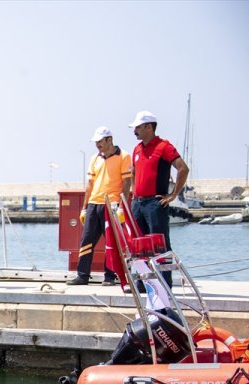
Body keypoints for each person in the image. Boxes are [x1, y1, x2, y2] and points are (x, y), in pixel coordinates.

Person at [129, 110, 189, 288]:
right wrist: (133, 194)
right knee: (139, 247)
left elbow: (183, 168)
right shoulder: (137, 149)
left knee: (160, 247)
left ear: (149, 127)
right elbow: (133, 171)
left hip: (155, 204)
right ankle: (144, 283)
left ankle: (164, 285)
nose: (135, 131)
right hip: (138, 204)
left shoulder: (164, 146)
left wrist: (173, 195)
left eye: (138, 127)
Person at [67, 127, 132, 286]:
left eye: (100, 141)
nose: (97, 145)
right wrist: (84, 207)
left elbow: (127, 183)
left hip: (112, 204)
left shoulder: (123, 156)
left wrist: (122, 206)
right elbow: (89, 184)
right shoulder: (95, 158)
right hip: (94, 204)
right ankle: (82, 275)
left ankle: (110, 276)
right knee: (86, 239)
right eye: (96, 142)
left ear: (110, 140)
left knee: (112, 242)